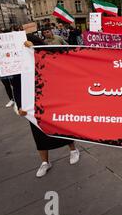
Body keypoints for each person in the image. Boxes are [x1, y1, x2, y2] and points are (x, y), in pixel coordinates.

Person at [16, 34, 80, 177]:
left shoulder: (48, 56)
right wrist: (19, 107)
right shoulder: (19, 65)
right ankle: (45, 162)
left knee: (63, 127)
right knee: (38, 134)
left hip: (52, 100)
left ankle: (73, 150)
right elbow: (17, 87)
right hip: (32, 105)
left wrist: (33, 48)